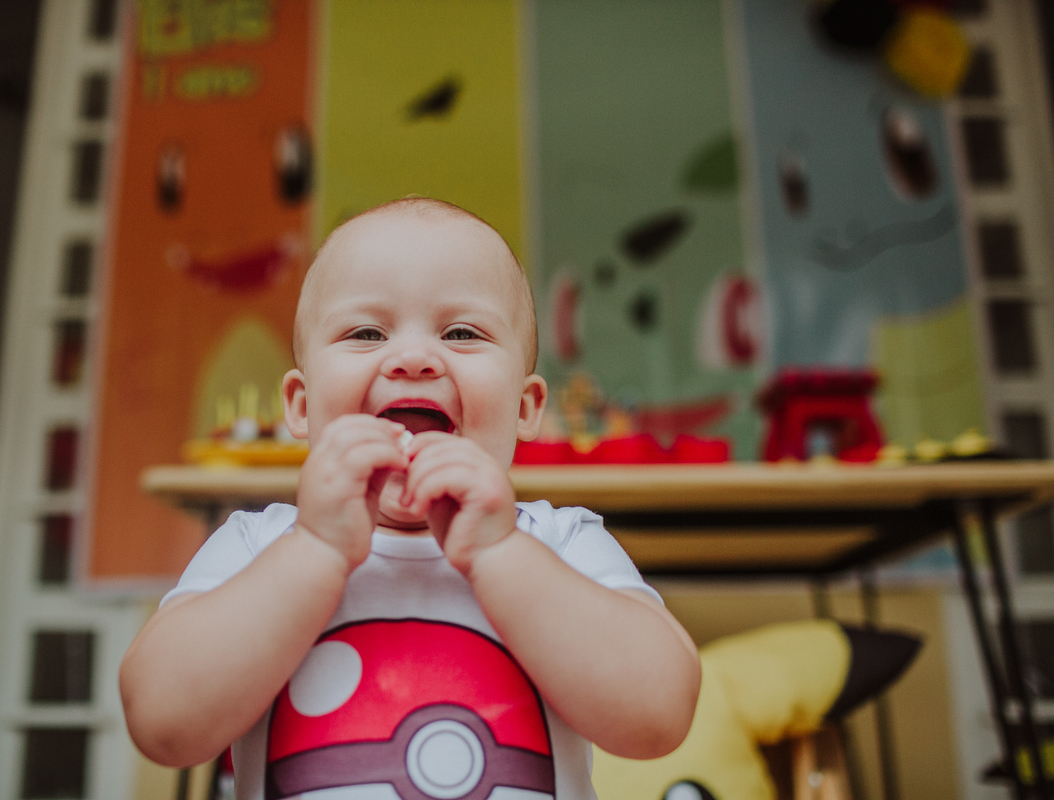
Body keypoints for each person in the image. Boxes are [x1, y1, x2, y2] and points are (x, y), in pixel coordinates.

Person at [119, 198, 701, 799]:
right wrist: (315, 552)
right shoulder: (258, 544)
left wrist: (501, 554)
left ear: (526, 409)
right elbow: (161, 723)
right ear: (300, 403)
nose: (415, 358)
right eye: (366, 332)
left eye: (461, 333)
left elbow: (660, 716)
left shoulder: (560, 542)